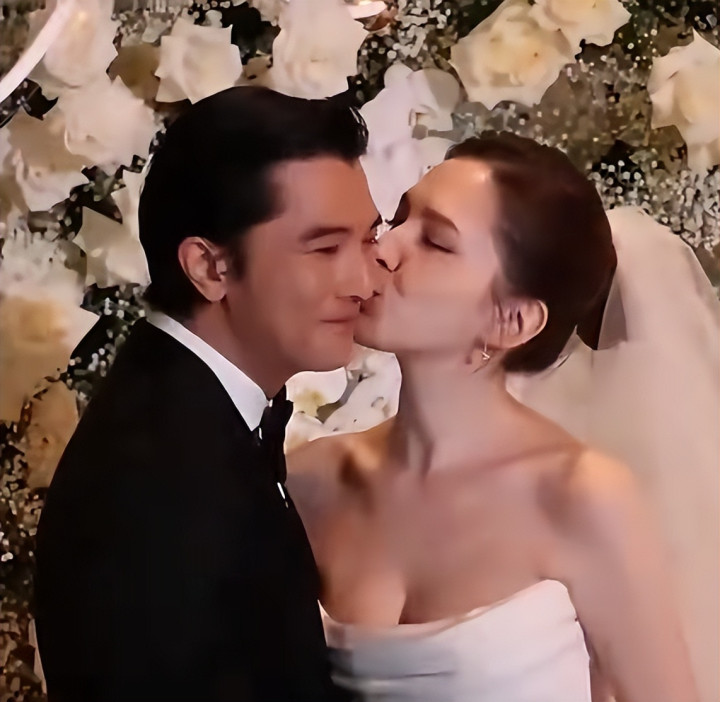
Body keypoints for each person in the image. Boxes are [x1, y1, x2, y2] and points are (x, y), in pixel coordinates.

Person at [288, 133, 708, 702]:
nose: (383, 248)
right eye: (398, 219)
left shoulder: (580, 497)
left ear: (511, 321)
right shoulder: (314, 479)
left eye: (435, 242)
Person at [35, 86, 381, 702]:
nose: (363, 281)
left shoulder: (184, 405)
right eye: (326, 248)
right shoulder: (157, 479)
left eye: (369, 241)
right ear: (210, 267)